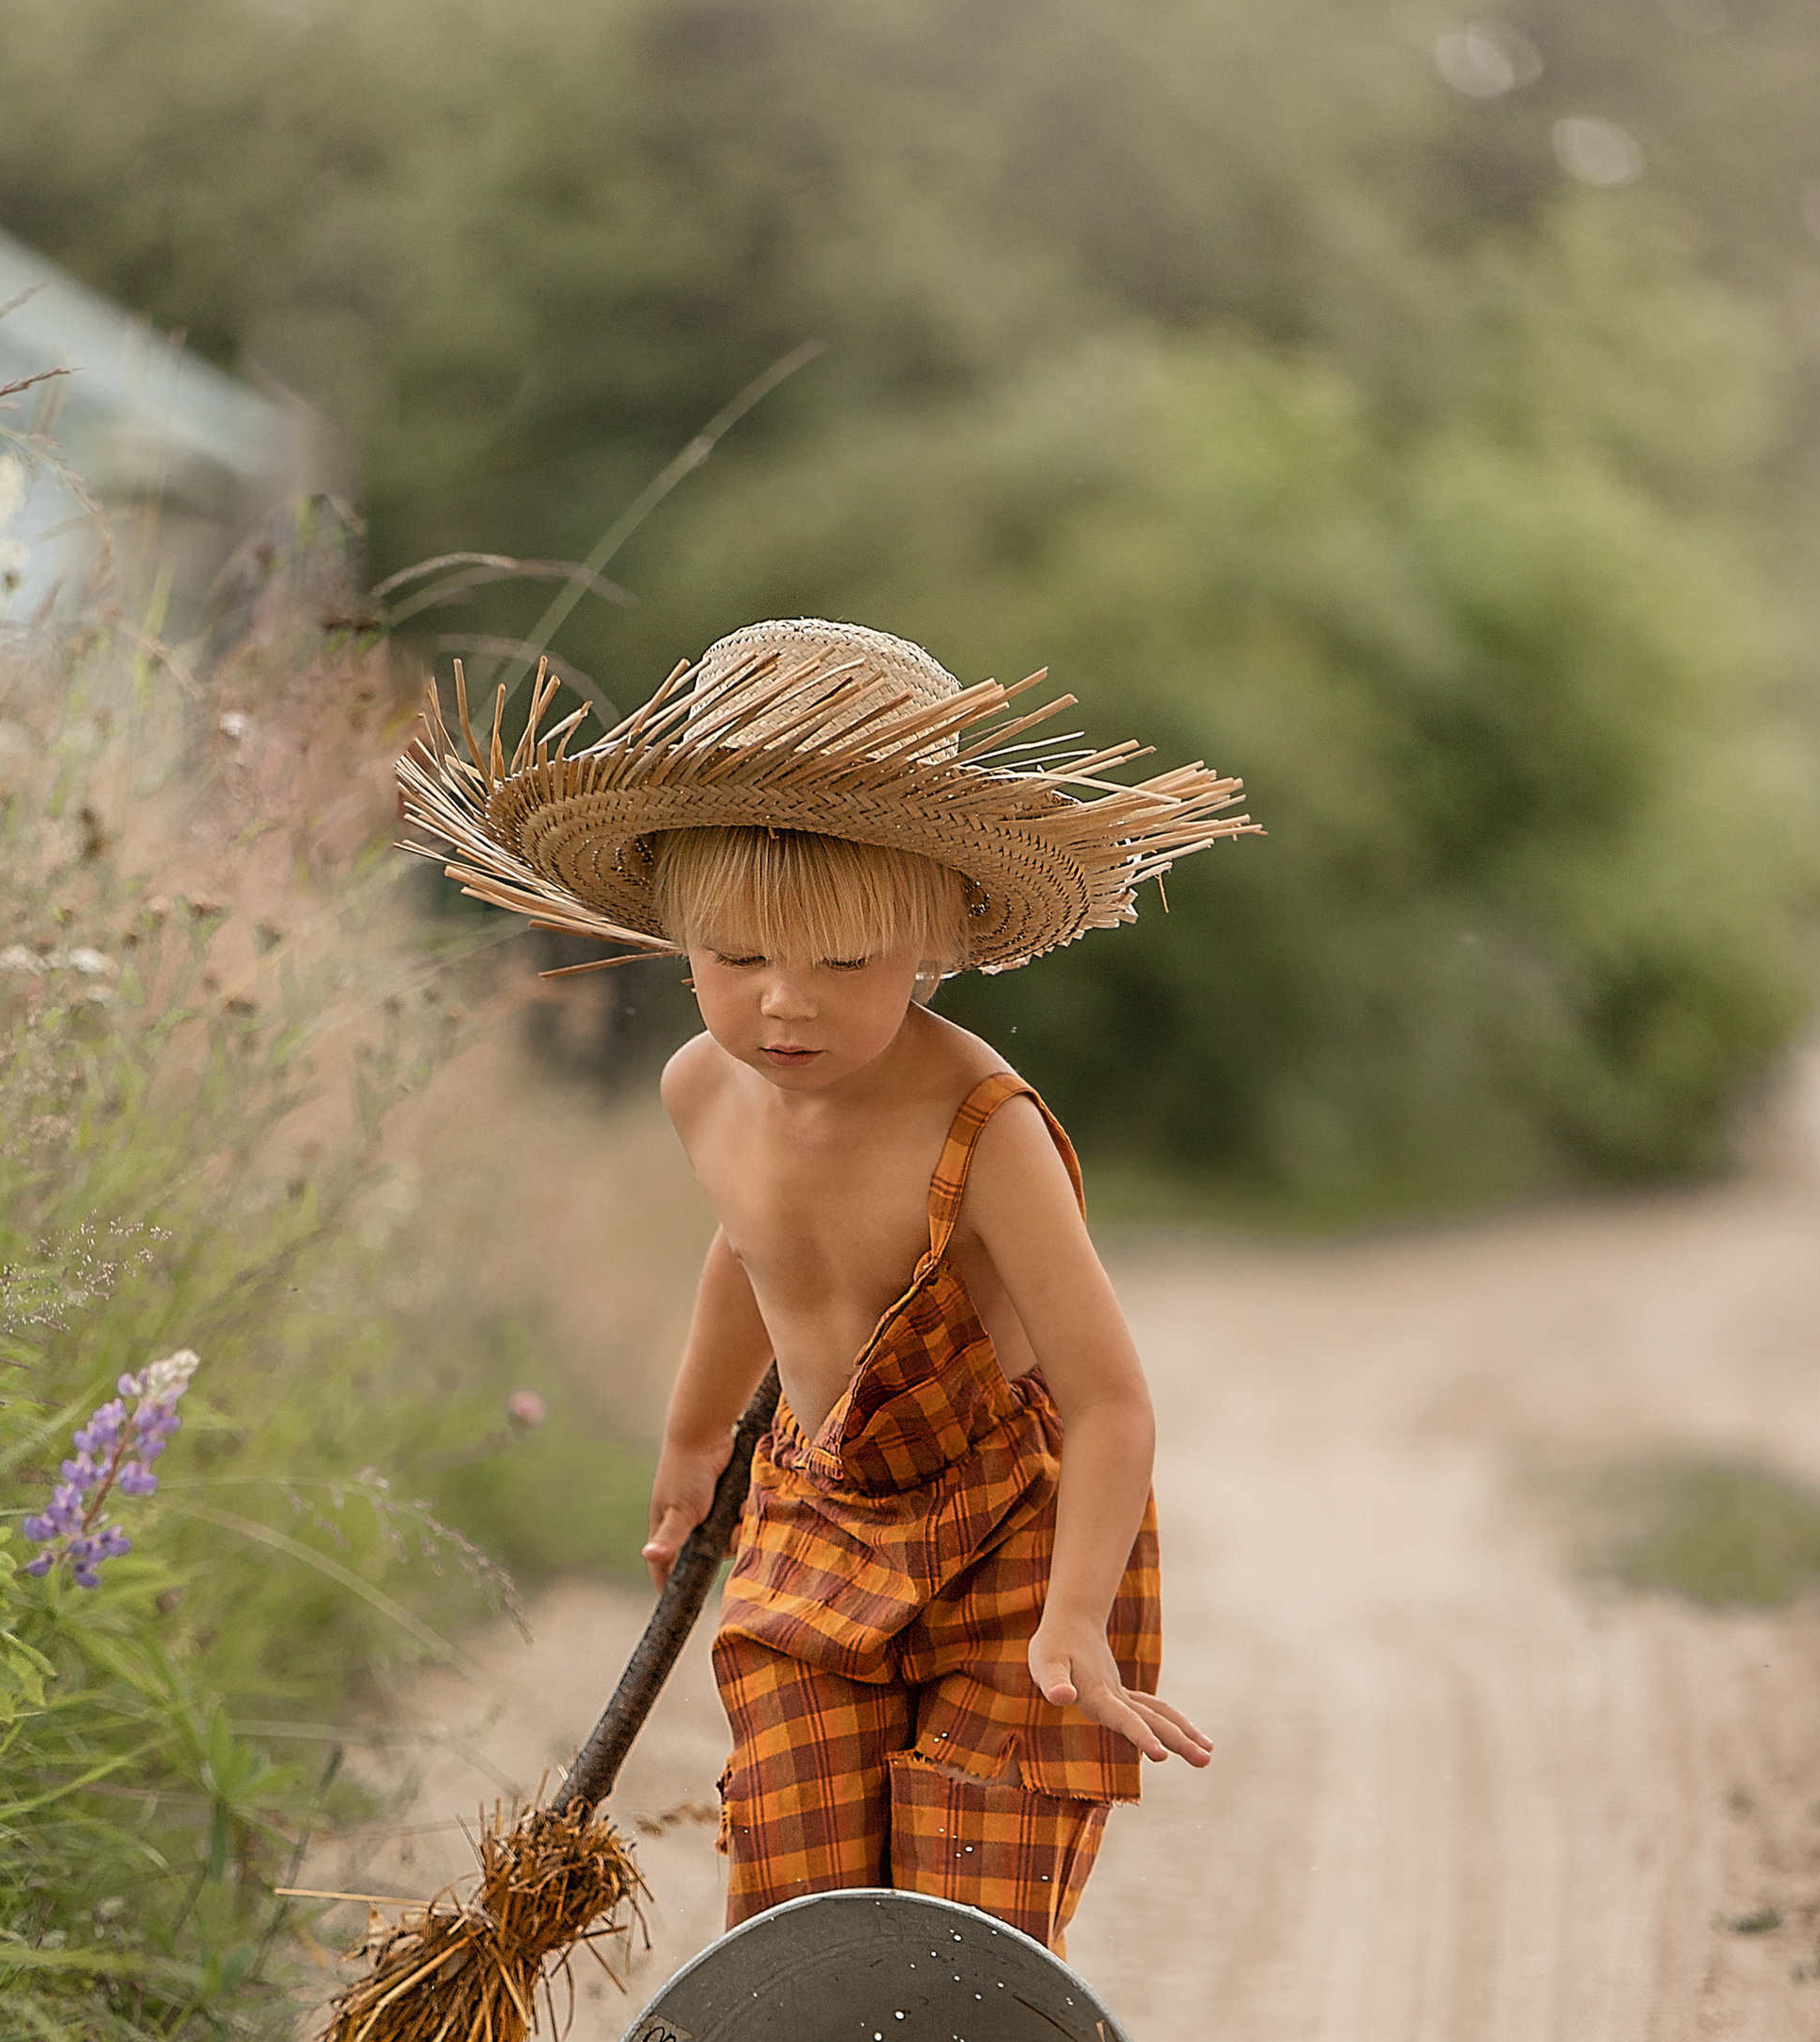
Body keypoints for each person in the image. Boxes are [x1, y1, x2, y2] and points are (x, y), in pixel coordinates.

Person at [398, 614, 1254, 1953]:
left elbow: (1110, 1402)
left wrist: (1075, 1620)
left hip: (1003, 1533)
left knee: (966, 1911)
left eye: (844, 963)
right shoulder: (701, 1090)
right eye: (739, 959)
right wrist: (695, 1440)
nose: (785, 1004)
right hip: (815, 1506)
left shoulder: (983, 1128)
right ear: (678, 936)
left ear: (933, 939)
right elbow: (753, 1252)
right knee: (796, 1882)